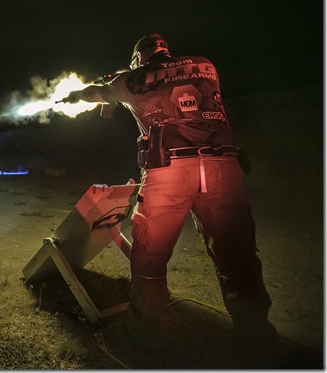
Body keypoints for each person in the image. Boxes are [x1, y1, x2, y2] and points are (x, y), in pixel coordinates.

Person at [63, 34, 276, 350]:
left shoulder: (131, 79)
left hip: (169, 170)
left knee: (150, 256)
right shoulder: (205, 65)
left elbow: (93, 94)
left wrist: (77, 95)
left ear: (138, 58)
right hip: (222, 167)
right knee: (237, 254)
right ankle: (256, 333)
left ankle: (146, 331)